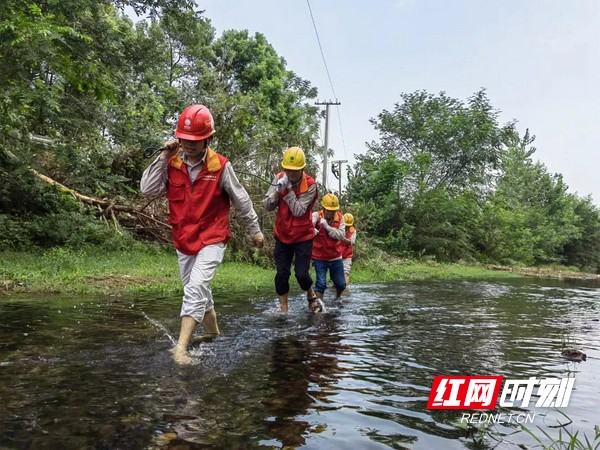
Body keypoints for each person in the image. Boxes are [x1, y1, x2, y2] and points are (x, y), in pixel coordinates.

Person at [140, 104, 264, 365]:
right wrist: (163, 156)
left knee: (195, 288)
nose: (189, 145)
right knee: (196, 290)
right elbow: (147, 190)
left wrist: (255, 230)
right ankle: (214, 334)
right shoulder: (172, 162)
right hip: (184, 239)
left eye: (195, 140)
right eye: (184, 140)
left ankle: (180, 350)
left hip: (212, 237)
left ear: (208, 138)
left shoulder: (220, 166)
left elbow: (241, 200)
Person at [263, 147, 320, 313]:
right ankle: (284, 311)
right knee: (281, 275)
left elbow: (299, 210)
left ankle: (310, 295)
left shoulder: (310, 185)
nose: (291, 173)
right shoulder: (279, 178)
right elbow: (267, 206)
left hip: (303, 236)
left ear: (302, 169)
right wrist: (275, 193)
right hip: (282, 235)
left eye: (295, 171)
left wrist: (287, 192)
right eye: (288, 170)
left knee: (302, 275)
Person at [311, 193, 347, 300]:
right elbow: (308, 225)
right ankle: (318, 306)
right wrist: (312, 229)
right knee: (321, 284)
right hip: (319, 258)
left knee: (341, 284)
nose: (331, 213)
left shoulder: (340, 218)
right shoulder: (316, 215)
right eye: (329, 210)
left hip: (336, 257)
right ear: (323, 208)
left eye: (334, 210)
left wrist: (327, 227)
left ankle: (337, 299)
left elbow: (341, 235)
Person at [340, 213, 357, 285]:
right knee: (336, 273)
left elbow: (351, 242)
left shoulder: (353, 231)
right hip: (336, 254)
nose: (346, 226)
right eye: (346, 225)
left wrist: (340, 237)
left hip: (347, 255)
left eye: (348, 225)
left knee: (346, 272)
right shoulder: (338, 227)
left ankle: (345, 289)